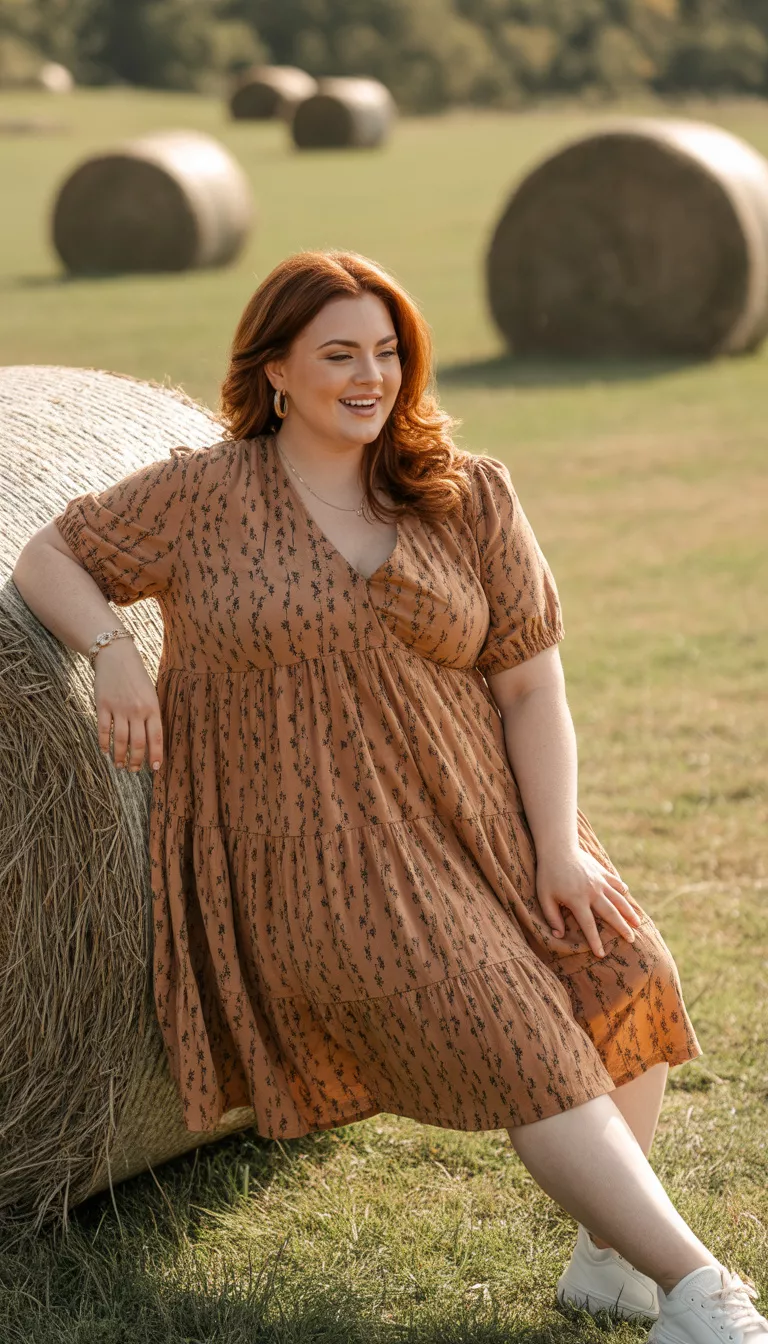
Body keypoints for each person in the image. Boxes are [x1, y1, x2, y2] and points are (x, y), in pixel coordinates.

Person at [14, 249, 766, 1342]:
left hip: (475, 813)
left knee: (620, 964)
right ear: (276, 371)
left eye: (388, 352)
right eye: (339, 354)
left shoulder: (465, 493)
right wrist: (112, 652)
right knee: (512, 1030)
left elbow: (530, 683)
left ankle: (610, 1257)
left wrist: (556, 846)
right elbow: (48, 551)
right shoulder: (200, 495)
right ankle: (703, 1291)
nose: (371, 376)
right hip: (310, 849)